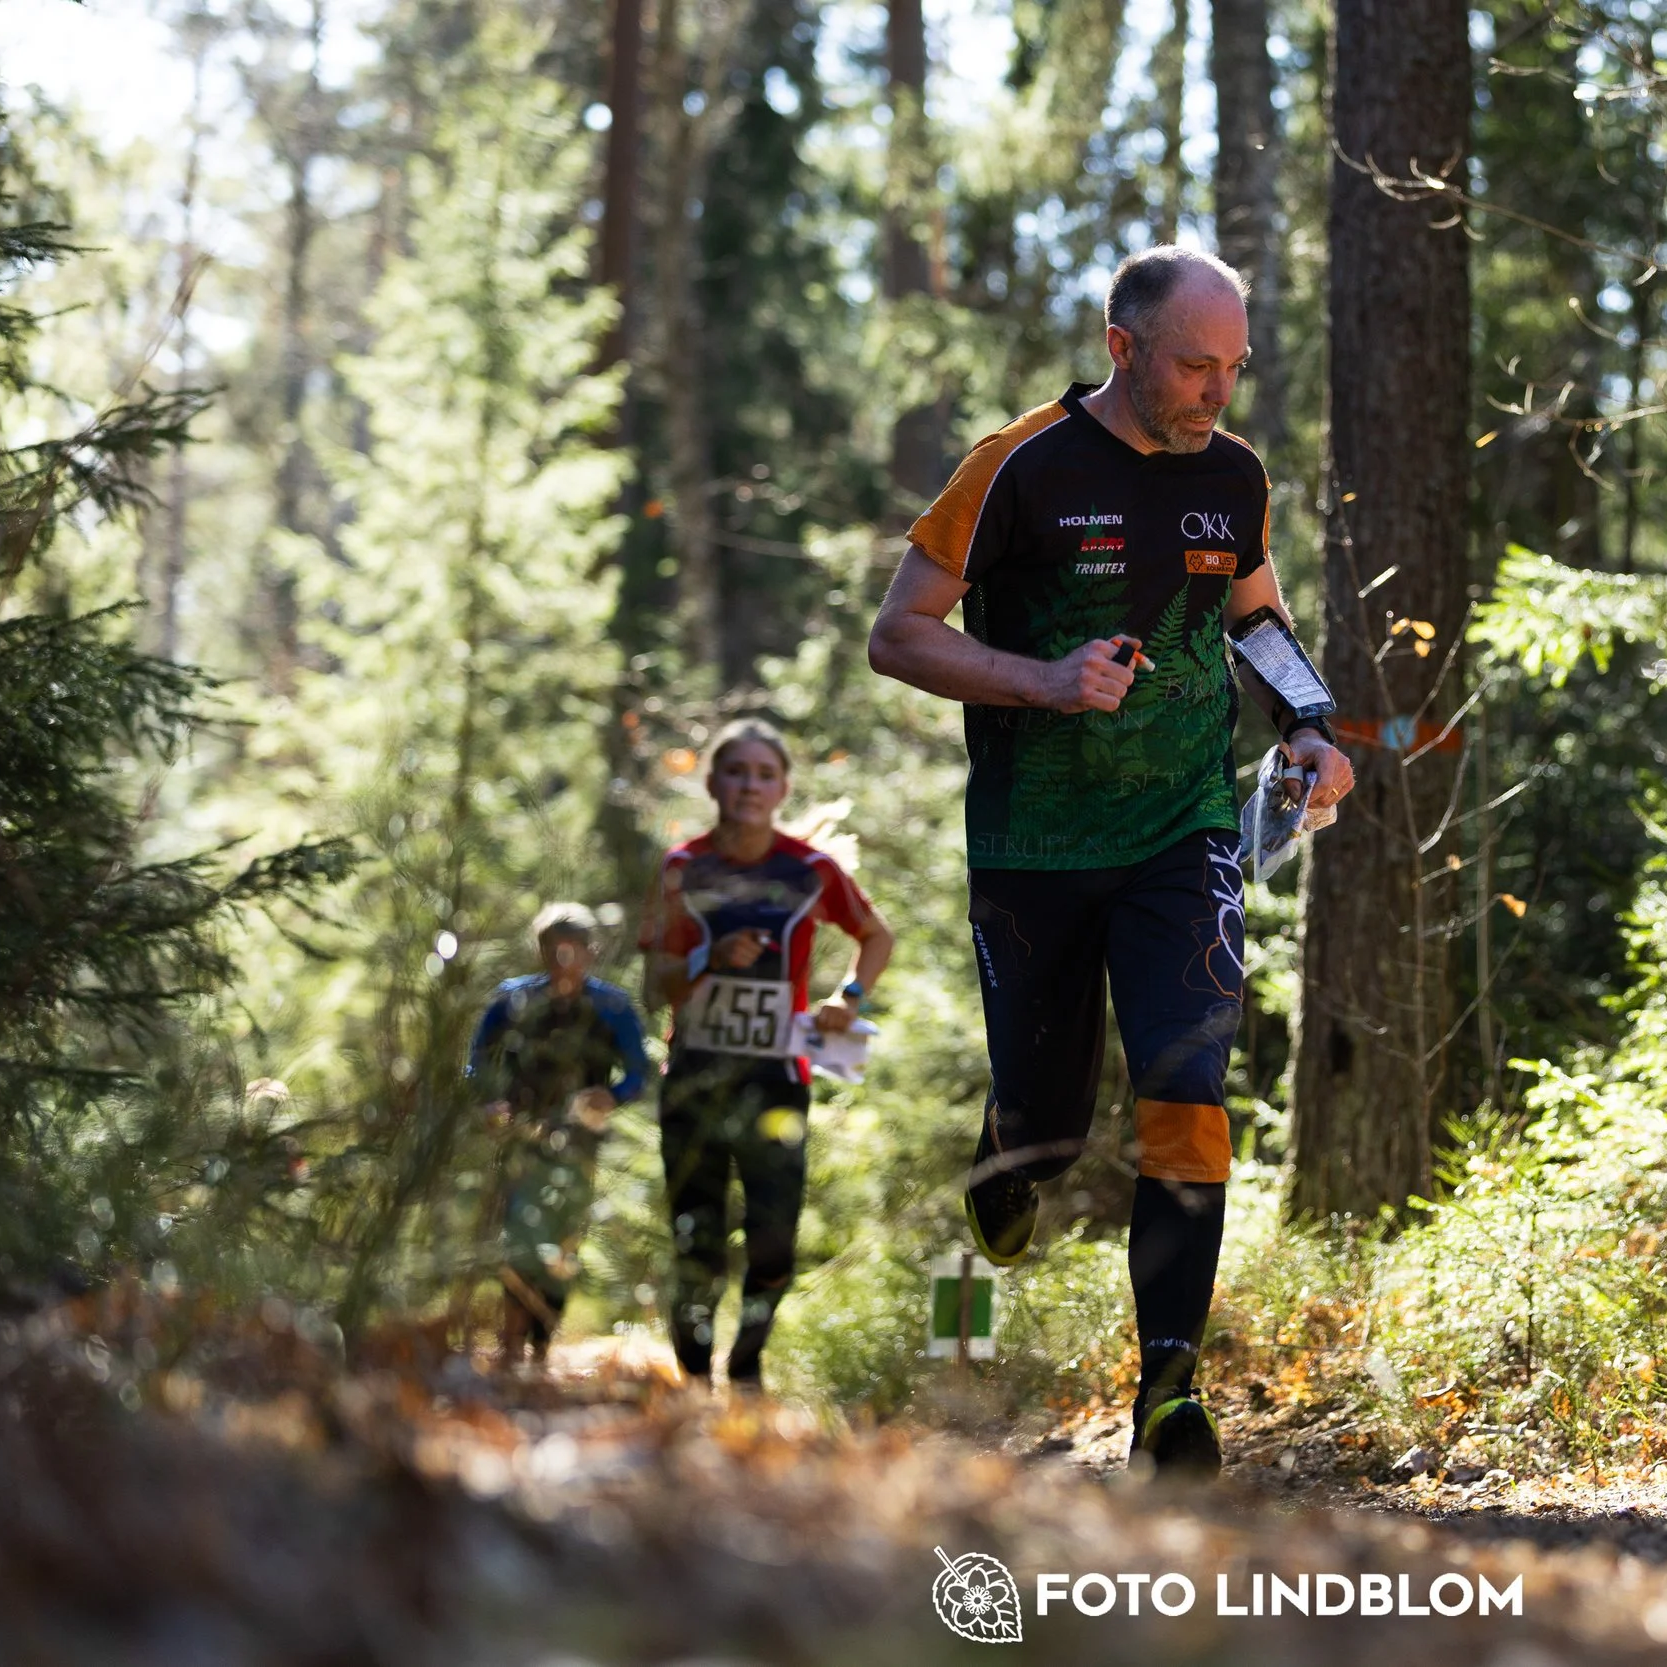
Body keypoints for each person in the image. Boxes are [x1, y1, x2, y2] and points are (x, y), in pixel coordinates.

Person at [868, 244, 1355, 1476]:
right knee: (1048, 1121)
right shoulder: (1015, 465)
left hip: (1182, 835)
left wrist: (1311, 726)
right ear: (1121, 347)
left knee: (1188, 1096)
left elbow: (1256, 614)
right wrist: (1039, 679)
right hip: (1034, 844)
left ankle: (1169, 1399)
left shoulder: (1232, 476)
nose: (1218, 393)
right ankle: (1009, 1144)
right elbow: (897, 634)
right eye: (1197, 365)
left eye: (1235, 368)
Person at [640, 718, 896, 1388]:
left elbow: (876, 936)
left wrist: (850, 995)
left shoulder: (809, 869)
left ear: (782, 787)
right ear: (713, 781)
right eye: (736, 771)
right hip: (694, 1074)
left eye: (764, 774)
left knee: (774, 1236)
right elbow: (655, 983)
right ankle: (695, 1376)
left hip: (776, 1077)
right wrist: (708, 957)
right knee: (695, 1234)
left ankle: (747, 1362)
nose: (749, 785)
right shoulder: (682, 867)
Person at [469, 902, 655, 1365]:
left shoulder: (611, 1006)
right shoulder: (513, 999)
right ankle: (510, 1344)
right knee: (515, 1236)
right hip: (518, 1137)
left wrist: (611, 1096)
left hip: (579, 1142)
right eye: (554, 950)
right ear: (540, 951)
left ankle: (542, 1347)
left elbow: (639, 1070)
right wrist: (490, 1101)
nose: (564, 960)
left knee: (564, 1241)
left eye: (574, 950)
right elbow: (478, 1061)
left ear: (591, 952)